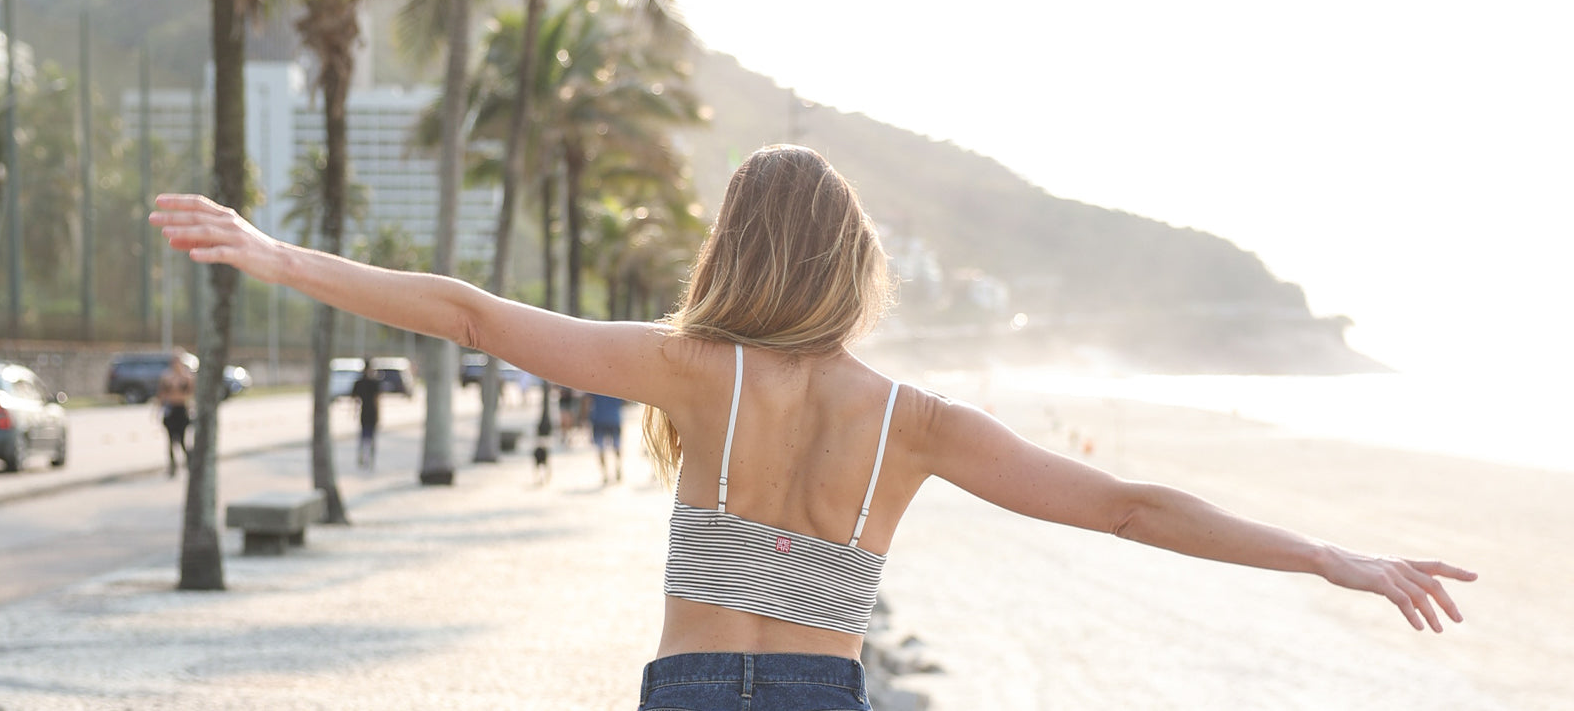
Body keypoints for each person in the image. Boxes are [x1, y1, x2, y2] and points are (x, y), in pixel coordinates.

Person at [150, 144, 1474, 711]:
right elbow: (1128, 504)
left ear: (730, 247)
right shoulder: (915, 421)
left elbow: (473, 316)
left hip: (685, 687)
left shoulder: (686, 368)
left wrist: (278, 257)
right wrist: (1331, 557)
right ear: (854, 262)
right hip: (816, 691)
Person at [155, 355, 195, 478]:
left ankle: (190, 464)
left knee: (182, 441)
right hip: (170, 410)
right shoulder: (166, 377)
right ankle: (172, 466)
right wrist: (158, 410)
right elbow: (161, 394)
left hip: (182, 410)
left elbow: (191, 394)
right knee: (170, 441)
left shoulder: (187, 377)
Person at [586, 392, 626, 484]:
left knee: (601, 449)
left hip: (599, 419)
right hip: (614, 419)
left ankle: (605, 474)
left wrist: (584, 417)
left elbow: (587, 401)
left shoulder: (594, 386)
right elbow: (625, 401)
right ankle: (618, 468)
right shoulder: (616, 386)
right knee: (616, 447)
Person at [350, 359, 382, 470]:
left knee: (364, 437)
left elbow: (355, 400)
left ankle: (363, 458)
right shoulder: (373, 382)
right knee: (370, 437)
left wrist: (354, 412)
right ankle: (369, 459)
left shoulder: (360, 383)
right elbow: (377, 400)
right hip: (371, 412)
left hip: (364, 412)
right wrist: (379, 415)